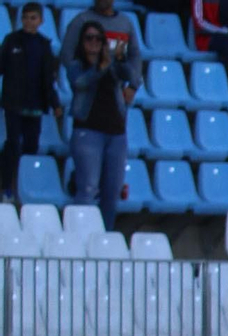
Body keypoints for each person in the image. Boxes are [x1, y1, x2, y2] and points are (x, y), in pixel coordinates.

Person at [66, 20, 136, 230]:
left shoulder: (112, 65)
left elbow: (131, 76)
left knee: (112, 191)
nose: (94, 42)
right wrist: (100, 67)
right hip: (88, 132)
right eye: (89, 38)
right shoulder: (76, 65)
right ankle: (81, 237)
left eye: (98, 38)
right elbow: (80, 83)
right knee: (87, 188)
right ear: (82, 42)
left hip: (116, 133)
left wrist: (120, 60)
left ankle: (104, 238)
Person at [0, 4, 62, 204]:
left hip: (35, 105)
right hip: (14, 103)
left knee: (31, 147)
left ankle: (26, 186)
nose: (28, 22)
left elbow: (48, 79)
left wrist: (55, 103)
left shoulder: (44, 45)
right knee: (12, 145)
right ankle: (6, 187)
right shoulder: (11, 41)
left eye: (33, 18)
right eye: (25, 18)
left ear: (41, 21)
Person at [61, 0, 143, 90]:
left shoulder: (125, 23)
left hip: (116, 90)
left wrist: (132, 87)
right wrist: (80, 78)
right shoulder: (81, 21)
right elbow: (67, 53)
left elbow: (135, 55)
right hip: (87, 90)